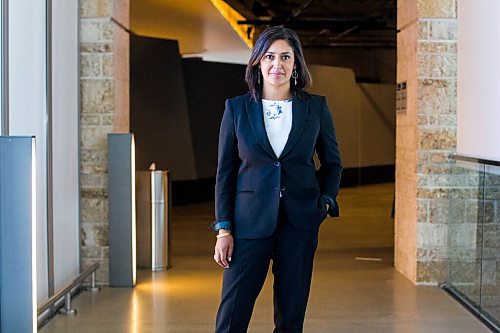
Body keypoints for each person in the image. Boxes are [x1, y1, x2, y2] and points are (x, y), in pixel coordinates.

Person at [211, 26, 342, 333]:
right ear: (257, 62)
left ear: (296, 64)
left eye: (286, 56)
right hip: (248, 224)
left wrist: (324, 202)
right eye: (269, 56)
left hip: (299, 224)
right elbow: (225, 173)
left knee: (291, 317)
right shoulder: (237, 109)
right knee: (232, 316)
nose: (277, 64)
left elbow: (333, 163)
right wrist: (223, 228)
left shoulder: (316, 108)